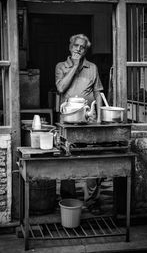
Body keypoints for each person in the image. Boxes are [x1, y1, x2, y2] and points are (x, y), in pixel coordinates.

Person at [55, 34, 104, 214]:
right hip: (68, 122)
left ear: (85, 50)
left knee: (92, 159)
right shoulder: (61, 66)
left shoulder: (92, 67)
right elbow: (61, 88)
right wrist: (75, 66)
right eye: (76, 46)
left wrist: (98, 117)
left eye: (82, 47)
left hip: (89, 121)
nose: (78, 49)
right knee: (67, 158)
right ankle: (68, 199)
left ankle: (92, 200)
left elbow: (98, 92)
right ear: (70, 47)